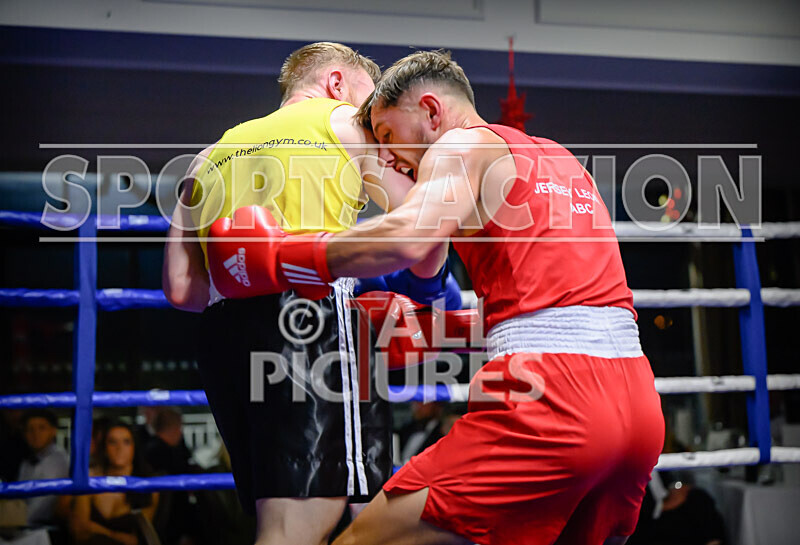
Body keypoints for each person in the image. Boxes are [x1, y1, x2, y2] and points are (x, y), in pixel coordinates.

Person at [208, 50, 665, 545]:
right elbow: (562, 308)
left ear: (430, 111)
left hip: (552, 405)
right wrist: (438, 330)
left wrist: (285, 257)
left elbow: (409, 237)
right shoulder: (560, 160)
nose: (386, 156)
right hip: (638, 410)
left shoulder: (460, 146)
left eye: (388, 136)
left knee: (359, 540)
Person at [162, 42, 460, 545]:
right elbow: (426, 224)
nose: (376, 120)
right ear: (337, 83)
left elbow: (180, 289)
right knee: (310, 525)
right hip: (309, 320)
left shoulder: (207, 156)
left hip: (222, 337)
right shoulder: (343, 121)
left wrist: (248, 272)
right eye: (370, 100)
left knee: (293, 521)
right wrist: (428, 290)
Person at [70, 421, 158, 545]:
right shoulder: (90, 479)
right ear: (105, 448)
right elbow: (80, 531)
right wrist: (116, 536)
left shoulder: (147, 487)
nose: (119, 448)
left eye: (126, 442)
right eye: (112, 442)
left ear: (134, 447)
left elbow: (135, 540)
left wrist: (100, 530)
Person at [17, 409, 69, 526]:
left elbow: (42, 504)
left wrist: (15, 521)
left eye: (42, 428)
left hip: (44, 528)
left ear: (53, 431)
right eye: (30, 429)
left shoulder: (58, 459)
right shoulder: (27, 461)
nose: (35, 434)